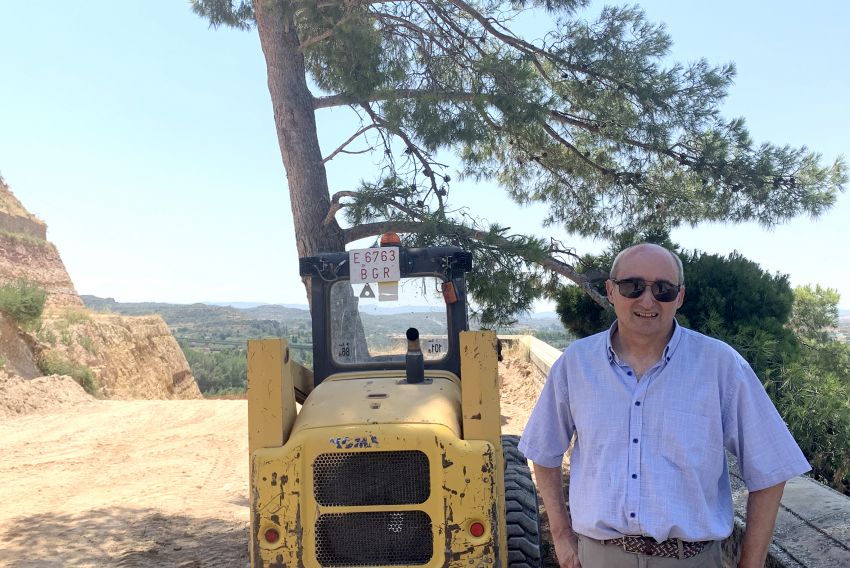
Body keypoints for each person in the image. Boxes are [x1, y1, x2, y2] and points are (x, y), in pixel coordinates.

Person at [518, 243, 810, 568]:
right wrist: (561, 537)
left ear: (680, 297)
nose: (647, 299)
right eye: (633, 286)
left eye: (663, 289)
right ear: (611, 291)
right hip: (598, 558)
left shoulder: (721, 366)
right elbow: (543, 451)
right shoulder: (575, 364)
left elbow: (770, 468)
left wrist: (750, 564)